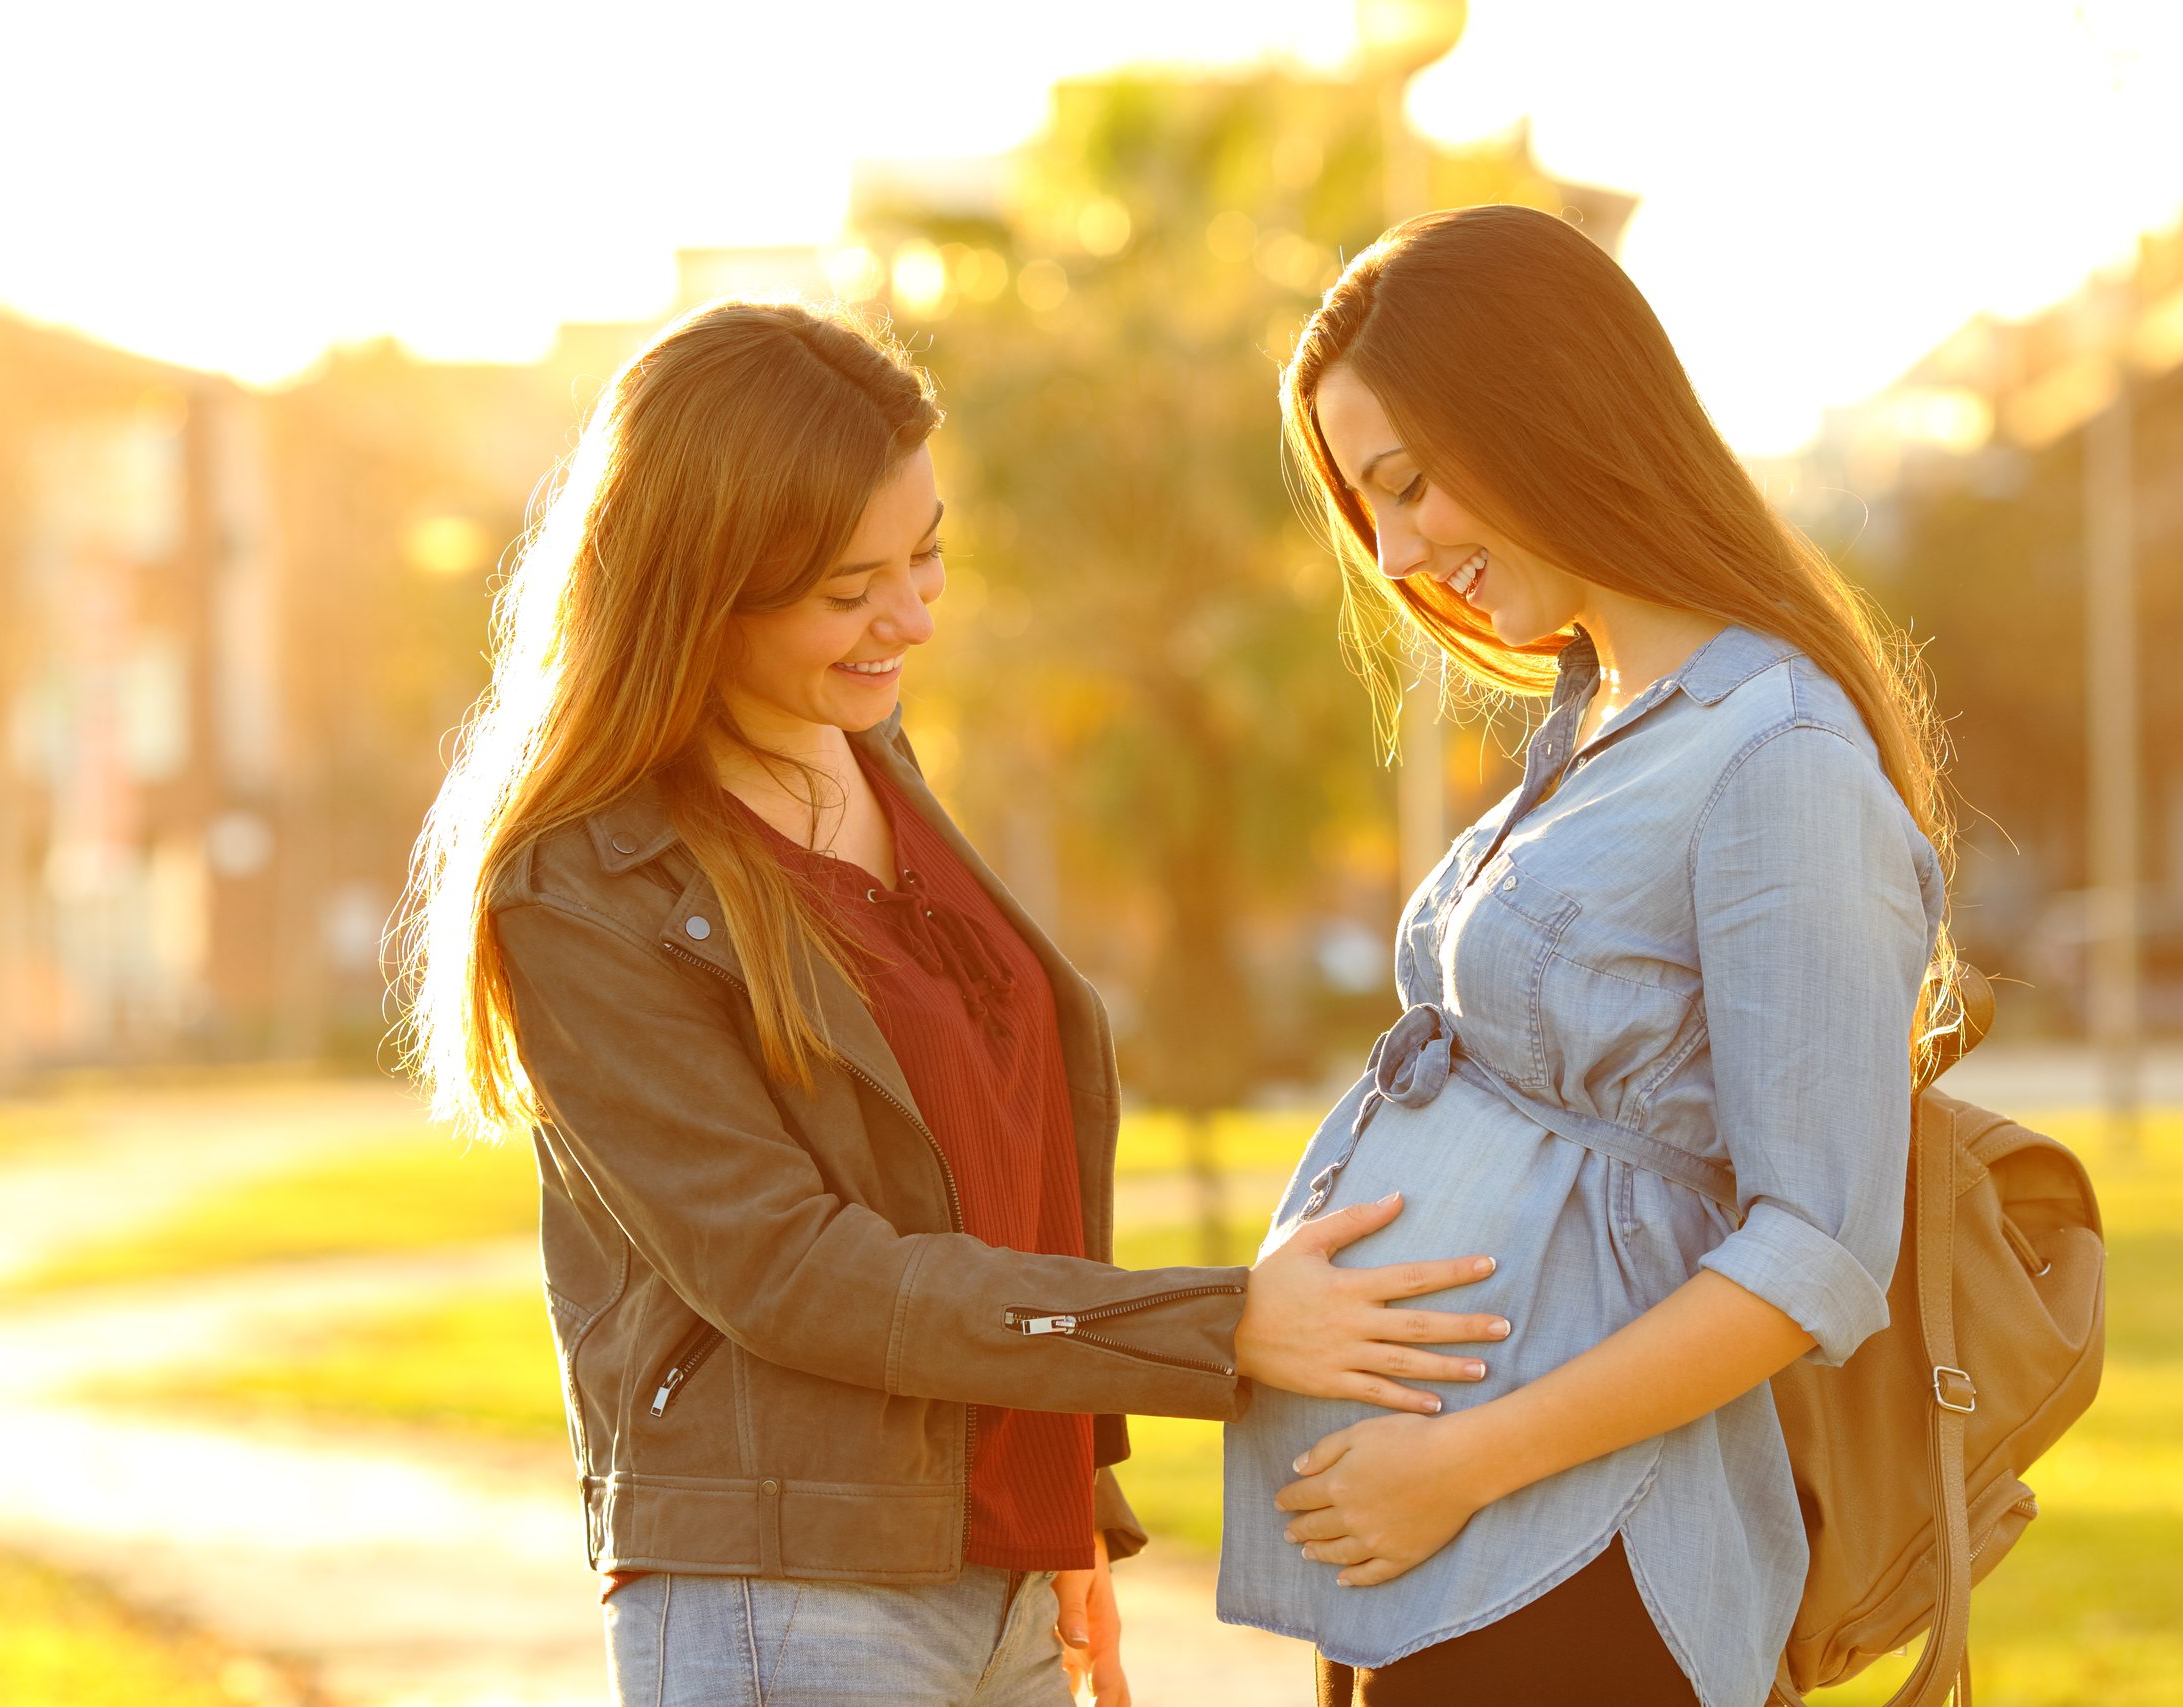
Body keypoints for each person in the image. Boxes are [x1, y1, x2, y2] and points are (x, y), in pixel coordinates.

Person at [393, 299, 1513, 1707]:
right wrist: (1212, 1323)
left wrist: (1075, 1513)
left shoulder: (865, 745)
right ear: (698, 588)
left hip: (1003, 1581)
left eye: (926, 556)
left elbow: (998, 1154)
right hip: (787, 1597)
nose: (912, 617)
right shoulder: (587, 886)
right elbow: (793, 1272)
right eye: (848, 589)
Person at [1216, 204, 1960, 1707]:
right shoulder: (1603, 721)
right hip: (1446, 1565)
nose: (1399, 552)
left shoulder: (1776, 754)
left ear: (1544, 413)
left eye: (1411, 486)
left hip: (1577, 1568)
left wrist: (1458, 1465)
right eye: (1372, 507)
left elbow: (1813, 1248)